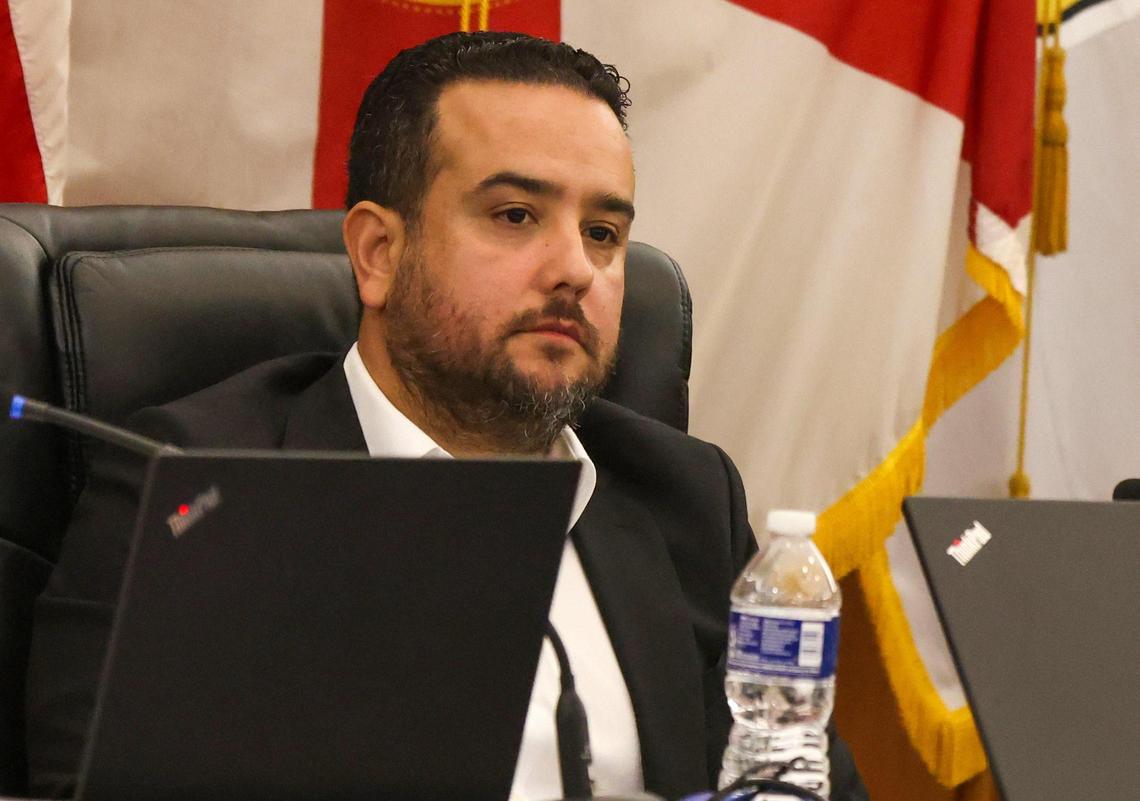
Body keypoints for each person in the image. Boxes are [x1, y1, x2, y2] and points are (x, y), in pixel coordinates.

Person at [24, 32, 867, 801]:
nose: (575, 267)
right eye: (515, 216)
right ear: (378, 253)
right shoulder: (196, 484)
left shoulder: (684, 496)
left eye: (605, 231)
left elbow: (804, 784)